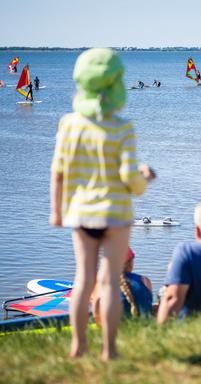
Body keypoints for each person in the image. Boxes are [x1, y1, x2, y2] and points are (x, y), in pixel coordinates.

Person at [50, 48, 155, 360]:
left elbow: (58, 172)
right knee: (109, 282)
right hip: (115, 214)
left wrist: (56, 211)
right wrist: (143, 181)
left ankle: (78, 346)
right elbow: (128, 178)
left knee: (83, 280)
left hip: (81, 214)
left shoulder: (69, 124)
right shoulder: (122, 128)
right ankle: (109, 350)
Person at [92, 247, 153, 324]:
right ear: (131, 263)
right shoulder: (145, 281)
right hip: (144, 329)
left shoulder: (103, 282)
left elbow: (96, 307)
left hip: (115, 329)